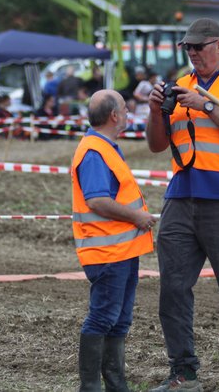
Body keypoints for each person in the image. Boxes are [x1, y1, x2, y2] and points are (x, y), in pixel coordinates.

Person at [146, 18, 219, 391]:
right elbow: (156, 145)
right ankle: (183, 372)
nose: (193, 53)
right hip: (181, 197)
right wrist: (155, 111)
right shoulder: (181, 84)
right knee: (173, 288)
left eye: (199, 46)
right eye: (188, 48)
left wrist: (207, 105)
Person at [71, 89, 156, 391]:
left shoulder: (105, 147)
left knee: (119, 320)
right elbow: (97, 201)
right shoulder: (95, 152)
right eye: (125, 108)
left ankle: (116, 383)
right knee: (103, 318)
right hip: (107, 253)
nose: (129, 113)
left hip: (121, 250)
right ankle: (91, 386)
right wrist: (136, 217)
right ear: (114, 116)